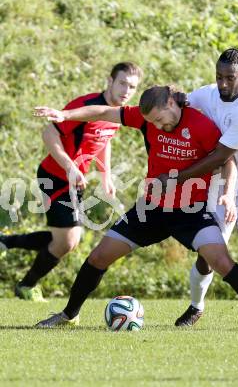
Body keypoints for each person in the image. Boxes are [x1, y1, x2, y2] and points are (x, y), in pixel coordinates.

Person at [33, 85, 238, 332]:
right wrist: (65, 114)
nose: (155, 126)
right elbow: (102, 112)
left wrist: (228, 196)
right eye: (151, 122)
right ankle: (68, 315)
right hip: (151, 210)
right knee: (99, 256)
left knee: (221, 261)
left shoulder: (200, 124)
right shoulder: (146, 119)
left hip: (190, 212)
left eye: (159, 119)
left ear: (170, 104)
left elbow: (227, 161)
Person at [0, 62, 142, 301]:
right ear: (109, 81)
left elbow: (103, 140)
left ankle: (6, 245)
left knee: (67, 241)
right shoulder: (85, 107)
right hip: (54, 176)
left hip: (74, 182)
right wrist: (70, 166)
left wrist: (105, 174)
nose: (126, 90)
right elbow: (49, 133)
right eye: (122, 83)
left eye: (132, 87)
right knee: (68, 240)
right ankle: (25, 284)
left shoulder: (118, 113)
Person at [158, 48, 238, 330]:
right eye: (219, 76)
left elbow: (220, 156)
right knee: (207, 254)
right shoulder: (208, 93)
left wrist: (177, 178)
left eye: (230, 78)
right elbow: (183, 102)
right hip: (218, 181)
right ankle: (196, 306)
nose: (223, 84)